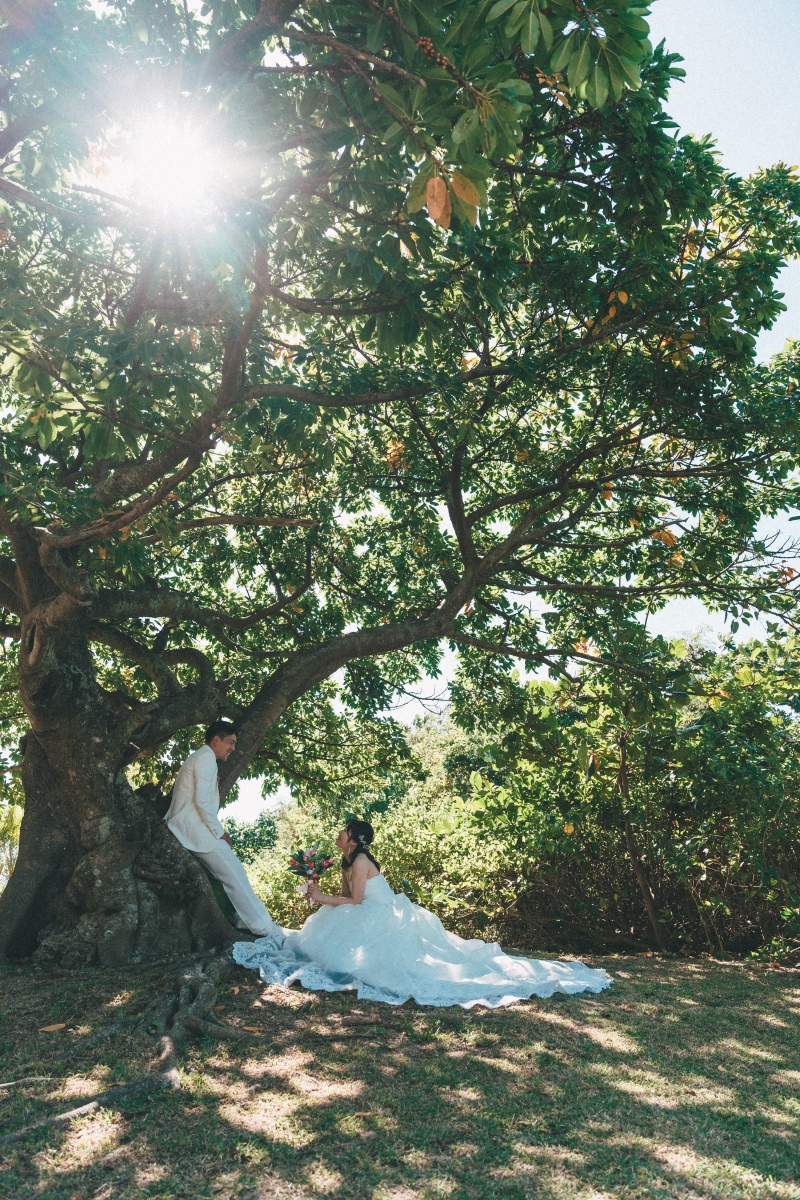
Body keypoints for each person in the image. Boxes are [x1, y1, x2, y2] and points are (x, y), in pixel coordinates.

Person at [234, 819, 612, 1009]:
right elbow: (346, 897)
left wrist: (325, 900)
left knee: (406, 962)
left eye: (343, 831)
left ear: (353, 838)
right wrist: (317, 894)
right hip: (361, 912)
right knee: (325, 937)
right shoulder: (347, 862)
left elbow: (356, 903)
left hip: (381, 915)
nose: (338, 834)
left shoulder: (362, 860)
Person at [164, 720, 280, 939]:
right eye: (230, 742)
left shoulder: (200, 756)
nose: (233, 748)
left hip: (189, 827)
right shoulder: (206, 758)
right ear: (216, 740)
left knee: (232, 873)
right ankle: (263, 928)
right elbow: (203, 803)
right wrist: (220, 832)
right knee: (233, 872)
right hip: (192, 829)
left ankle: (245, 921)